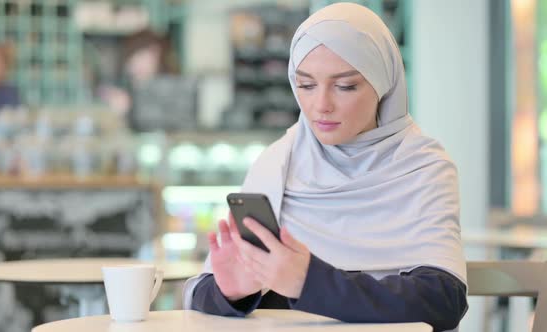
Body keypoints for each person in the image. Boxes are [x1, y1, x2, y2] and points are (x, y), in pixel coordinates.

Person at [183, 3, 468, 332]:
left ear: (383, 84)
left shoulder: (423, 167)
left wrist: (309, 281)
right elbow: (201, 295)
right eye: (305, 85)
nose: (321, 106)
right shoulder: (277, 164)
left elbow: (443, 299)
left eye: (345, 86)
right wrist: (229, 293)